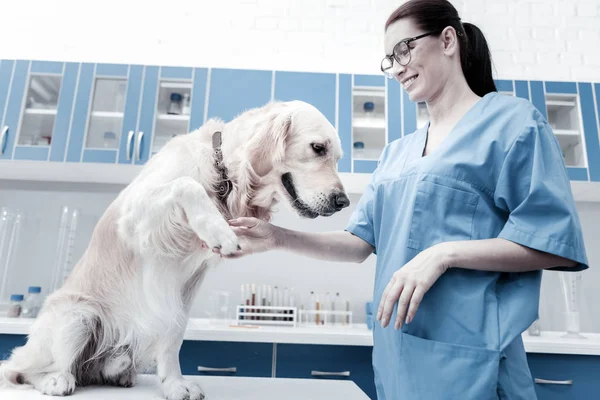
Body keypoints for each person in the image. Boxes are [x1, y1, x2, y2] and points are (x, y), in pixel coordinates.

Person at [213, 0, 589, 398]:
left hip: (473, 366)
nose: (397, 68)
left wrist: (442, 255)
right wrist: (277, 237)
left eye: (404, 50)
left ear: (447, 40)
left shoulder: (514, 124)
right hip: (398, 365)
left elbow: (553, 245)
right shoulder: (397, 153)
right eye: (389, 60)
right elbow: (360, 244)